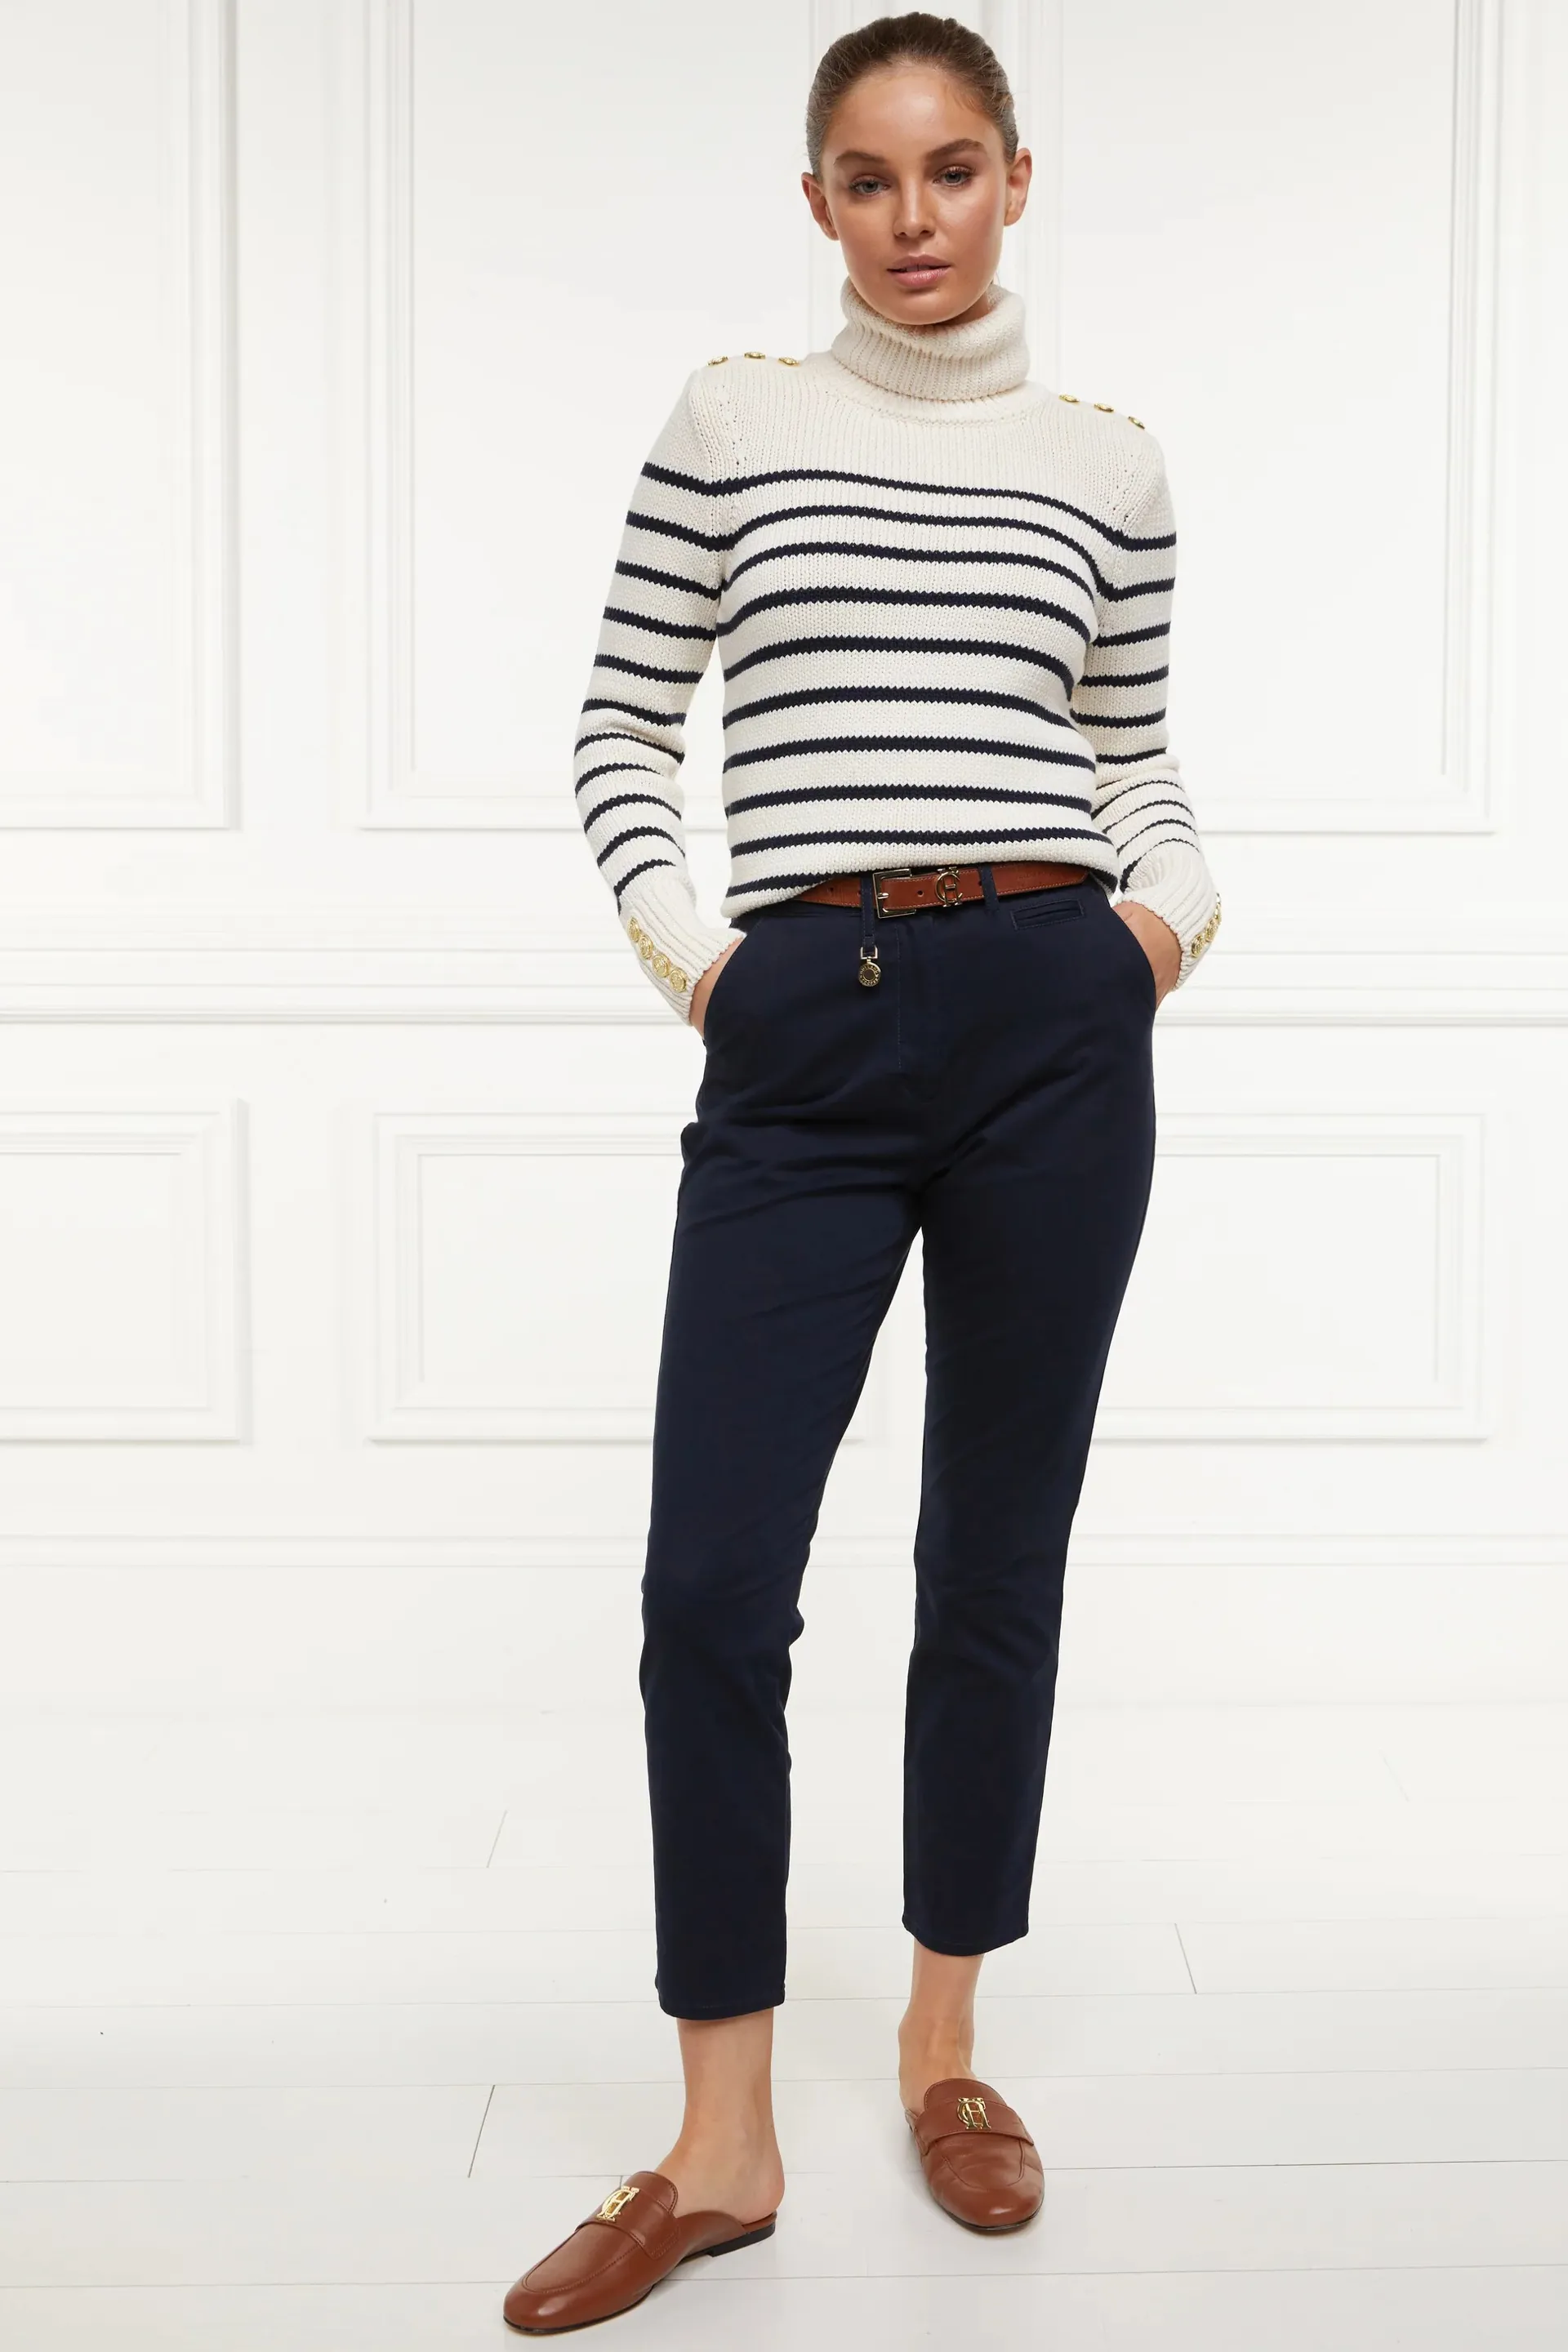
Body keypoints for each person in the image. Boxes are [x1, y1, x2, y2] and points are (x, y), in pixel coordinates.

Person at [504, 10, 1221, 2332]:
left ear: (1017, 177)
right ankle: (721, 2141)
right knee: (712, 1584)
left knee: (992, 1559)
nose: (916, 217)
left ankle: (943, 2044)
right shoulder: (736, 420)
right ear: (816, 200)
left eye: (953, 169)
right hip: (809, 1021)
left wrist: (1160, 925)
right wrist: (711, 966)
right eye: (869, 177)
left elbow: (1135, 749)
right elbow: (623, 720)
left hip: (1053, 1015)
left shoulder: (1108, 463)